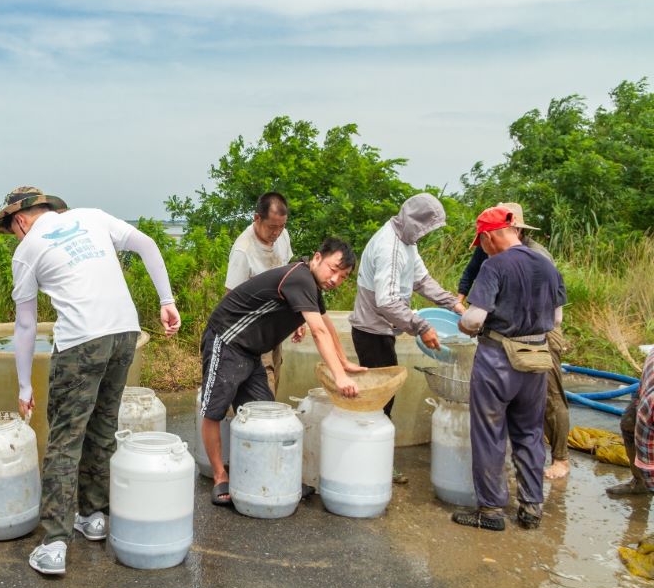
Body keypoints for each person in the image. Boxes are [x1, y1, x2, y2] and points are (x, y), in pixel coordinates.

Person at [0, 186, 181, 577]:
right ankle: (93, 517)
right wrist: (167, 300)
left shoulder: (26, 251)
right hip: (125, 333)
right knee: (102, 429)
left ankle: (54, 544)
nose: (15, 237)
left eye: (12, 230)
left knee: (65, 439)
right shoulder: (93, 216)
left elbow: (26, 324)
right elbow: (146, 243)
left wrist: (24, 386)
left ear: (20, 220)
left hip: (81, 341)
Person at [200, 237, 364, 505]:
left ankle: (277, 476)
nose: (335, 279)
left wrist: (344, 362)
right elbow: (319, 331)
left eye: (343, 276)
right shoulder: (299, 277)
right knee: (213, 409)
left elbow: (327, 324)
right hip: (226, 340)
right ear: (317, 257)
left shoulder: (310, 284)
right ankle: (220, 477)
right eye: (334, 269)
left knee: (265, 415)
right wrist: (339, 376)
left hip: (251, 352)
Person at [452, 206, 566, 532]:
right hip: (536, 359)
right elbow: (556, 319)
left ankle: (490, 511)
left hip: (498, 359)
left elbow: (474, 319)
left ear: (489, 237)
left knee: (490, 432)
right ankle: (531, 508)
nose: (482, 249)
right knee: (530, 434)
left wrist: (464, 323)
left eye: (481, 243)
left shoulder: (494, 265)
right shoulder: (546, 265)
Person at [348, 193, 465, 484]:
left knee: (382, 400)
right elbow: (387, 301)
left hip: (383, 331)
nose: (426, 234)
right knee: (379, 402)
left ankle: (373, 462)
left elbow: (422, 280)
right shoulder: (389, 246)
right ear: (414, 221)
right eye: (426, 228)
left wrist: (454, 304)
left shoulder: (406, 243)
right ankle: (370, 466)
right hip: (372, 332)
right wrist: (422, 326)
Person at [224, 192, 296, 395]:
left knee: (276, 372)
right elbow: (230, 301)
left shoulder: (283, 235)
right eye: (272, 227)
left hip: (276, 324)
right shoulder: (243, 250)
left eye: (281, 226)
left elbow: (287, 276)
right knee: (265, 381)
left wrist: (296, 317)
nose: (277, 233)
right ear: (257, 218)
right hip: (253, 331)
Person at [606, 347, 654, 497]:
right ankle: (640, 483)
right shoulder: (649, 406)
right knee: (629, 425)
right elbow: (645, 448)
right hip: (646, 387)